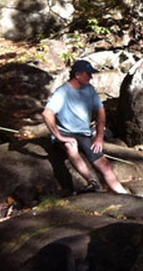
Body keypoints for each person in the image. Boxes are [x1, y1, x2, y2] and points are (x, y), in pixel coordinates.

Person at [42, 60, 129, 194]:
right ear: (77, 75)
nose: (91, 77)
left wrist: (99, 137)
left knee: (104, 164)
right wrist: (58, 135)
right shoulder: (63, 92)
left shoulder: (89, 90)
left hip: (84, 133)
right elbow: (47, 113)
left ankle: (122, 193)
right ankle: (91, 182)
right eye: (88, 74)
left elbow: (100, 111)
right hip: (66, 132)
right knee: (70, 146)